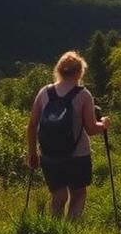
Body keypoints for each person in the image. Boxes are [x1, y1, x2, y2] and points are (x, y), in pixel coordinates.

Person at [27, 50, 109, 218]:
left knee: (58, 196)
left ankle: (55, 233)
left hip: (49, 155)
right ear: (80, 72)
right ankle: (70, 231)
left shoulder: (45, 92)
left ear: (58, 70)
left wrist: (33, 153)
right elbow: (91, 129)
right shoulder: (83, 95)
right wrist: (104, 124)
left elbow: (32, 125)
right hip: (77, 155)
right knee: (78, 193)